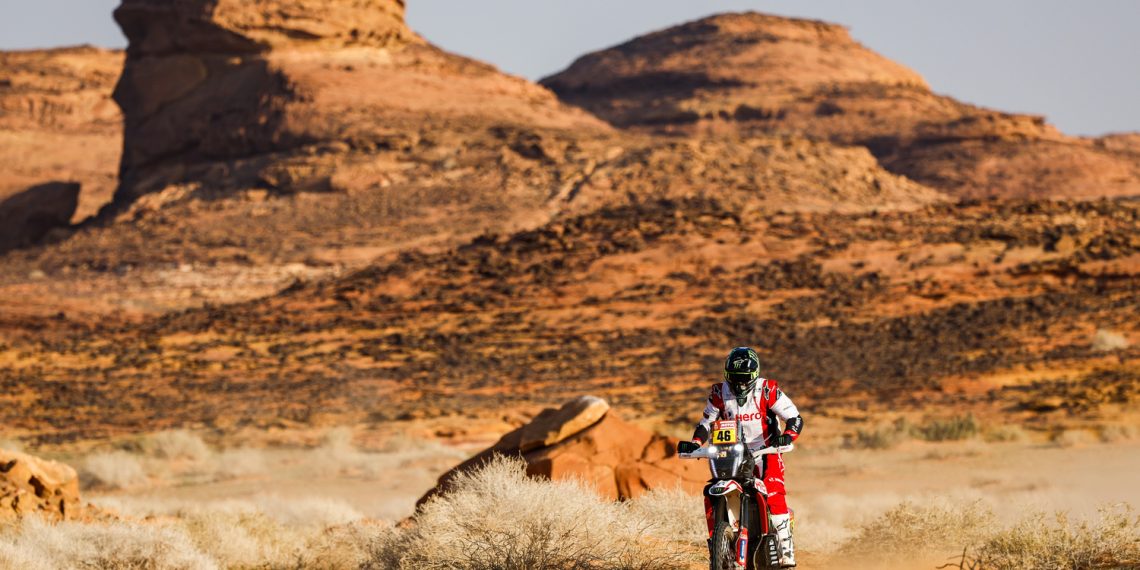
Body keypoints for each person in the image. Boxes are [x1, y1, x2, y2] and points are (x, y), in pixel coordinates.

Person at [678, 346, 804, 567]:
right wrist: (695, 443)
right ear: (728, 376)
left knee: (773, 492)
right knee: (711, 491)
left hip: (765, 452)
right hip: (730, 453)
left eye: (745, 378)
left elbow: (794, 417)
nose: (740, 383)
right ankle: (716, 545)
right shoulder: (719, 393)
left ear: (754, 375)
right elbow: (706, 424)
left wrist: (787, 437)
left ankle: (785, 550)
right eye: (736, 378)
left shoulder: (768, 390)